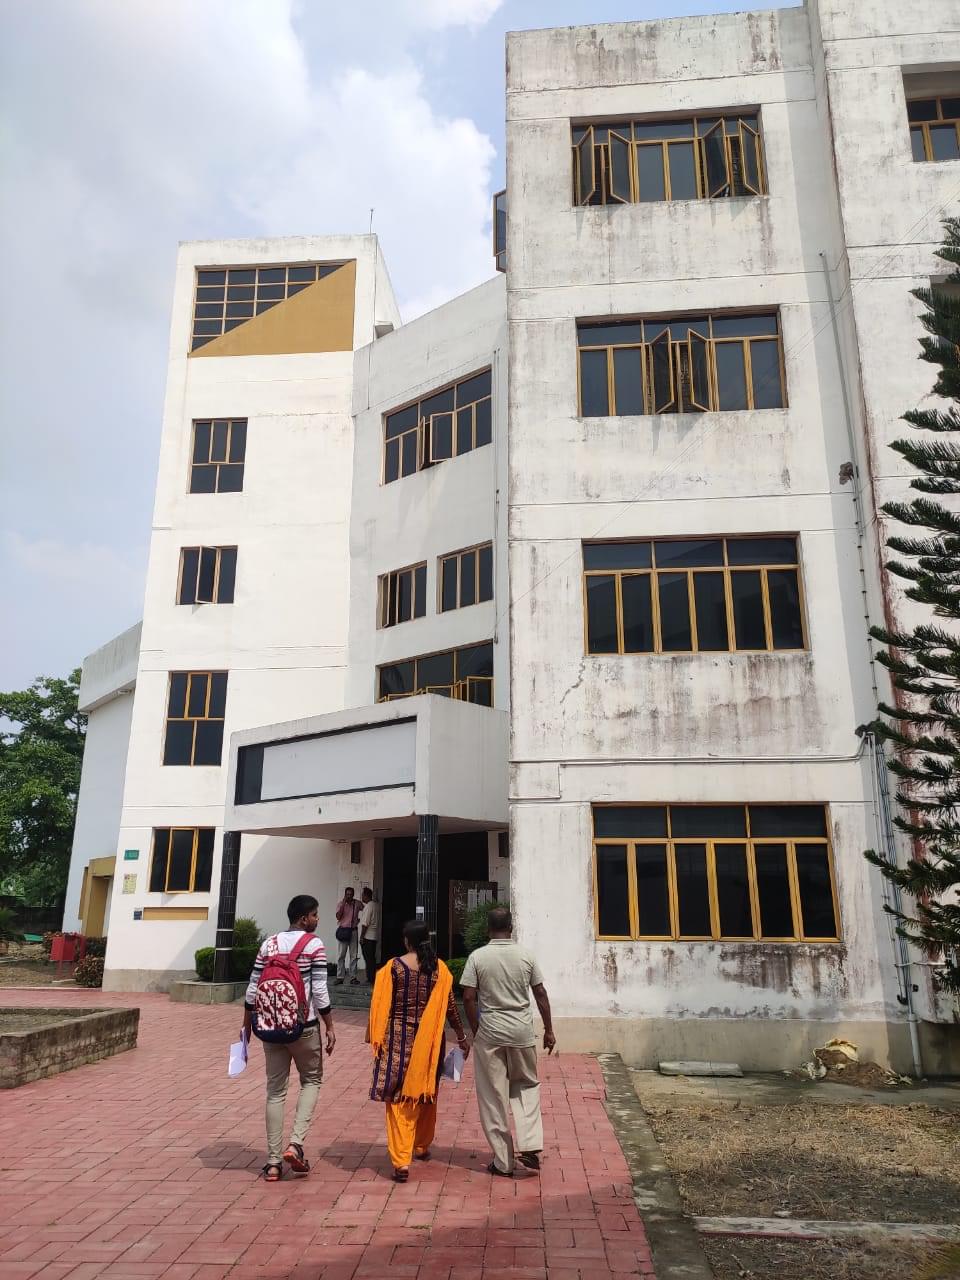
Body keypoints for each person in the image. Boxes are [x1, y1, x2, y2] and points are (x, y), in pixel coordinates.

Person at [243, 894, 336, 1182]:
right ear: (304, 918)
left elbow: (252, 988)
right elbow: (319, 990)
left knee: (275, 1091)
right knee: (312, 1081)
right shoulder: (314, 945)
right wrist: (330, 1025)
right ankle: (295, 1144)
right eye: (315, 915)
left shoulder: (269, 944)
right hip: (303, 1026)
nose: (317, 919)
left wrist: (246, 1026)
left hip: (270, 1027)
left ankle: (273, 1163)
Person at [368, 920, 470, 1182]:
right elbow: (451, 1008)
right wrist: (461, 1037)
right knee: (425, 1090)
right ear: (427, 939)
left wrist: (375, 1035)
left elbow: (381, 1005)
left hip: (398, 1039)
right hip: (430, 1041)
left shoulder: (393, 968)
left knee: (398, 1097)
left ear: (406, 941)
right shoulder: (439, 969)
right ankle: (421, 1145)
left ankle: (402, 1160)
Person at [461, 906, 555, 1178]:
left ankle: (503, 1161)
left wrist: (476, 1030)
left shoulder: (478, 957)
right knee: (526, 1086)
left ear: (488, 929)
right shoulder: (526, 956)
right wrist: (549, 1030)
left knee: (493, 1095)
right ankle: (530, 1147)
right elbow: (540, 993)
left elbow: (468, 997)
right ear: (511, 928)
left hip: (490, 1032)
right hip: (521, 1032)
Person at [334, 886, 361, 984]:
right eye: (347, 894)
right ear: (345, 894)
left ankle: (353, 977)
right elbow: (338, 917)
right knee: (341, 955)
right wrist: (343, 904)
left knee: (353, 955)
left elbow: (365, 909)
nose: (349, 896)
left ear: (353, 895)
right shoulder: (340, 904)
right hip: (343, 931)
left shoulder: (357, 903)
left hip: (353, 931)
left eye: (350, 894)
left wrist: (360, 920)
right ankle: (340, 977)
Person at [358, 886, 380, 984]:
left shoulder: (368, 906)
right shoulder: (376, 905)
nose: (362, 897)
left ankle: (370, 978)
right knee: (372, 958)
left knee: (368, 959)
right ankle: (372, 977)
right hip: (374, 936)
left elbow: (365, 924)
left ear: (366, 896)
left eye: (362, 895)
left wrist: (362, 936)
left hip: (368, 936)